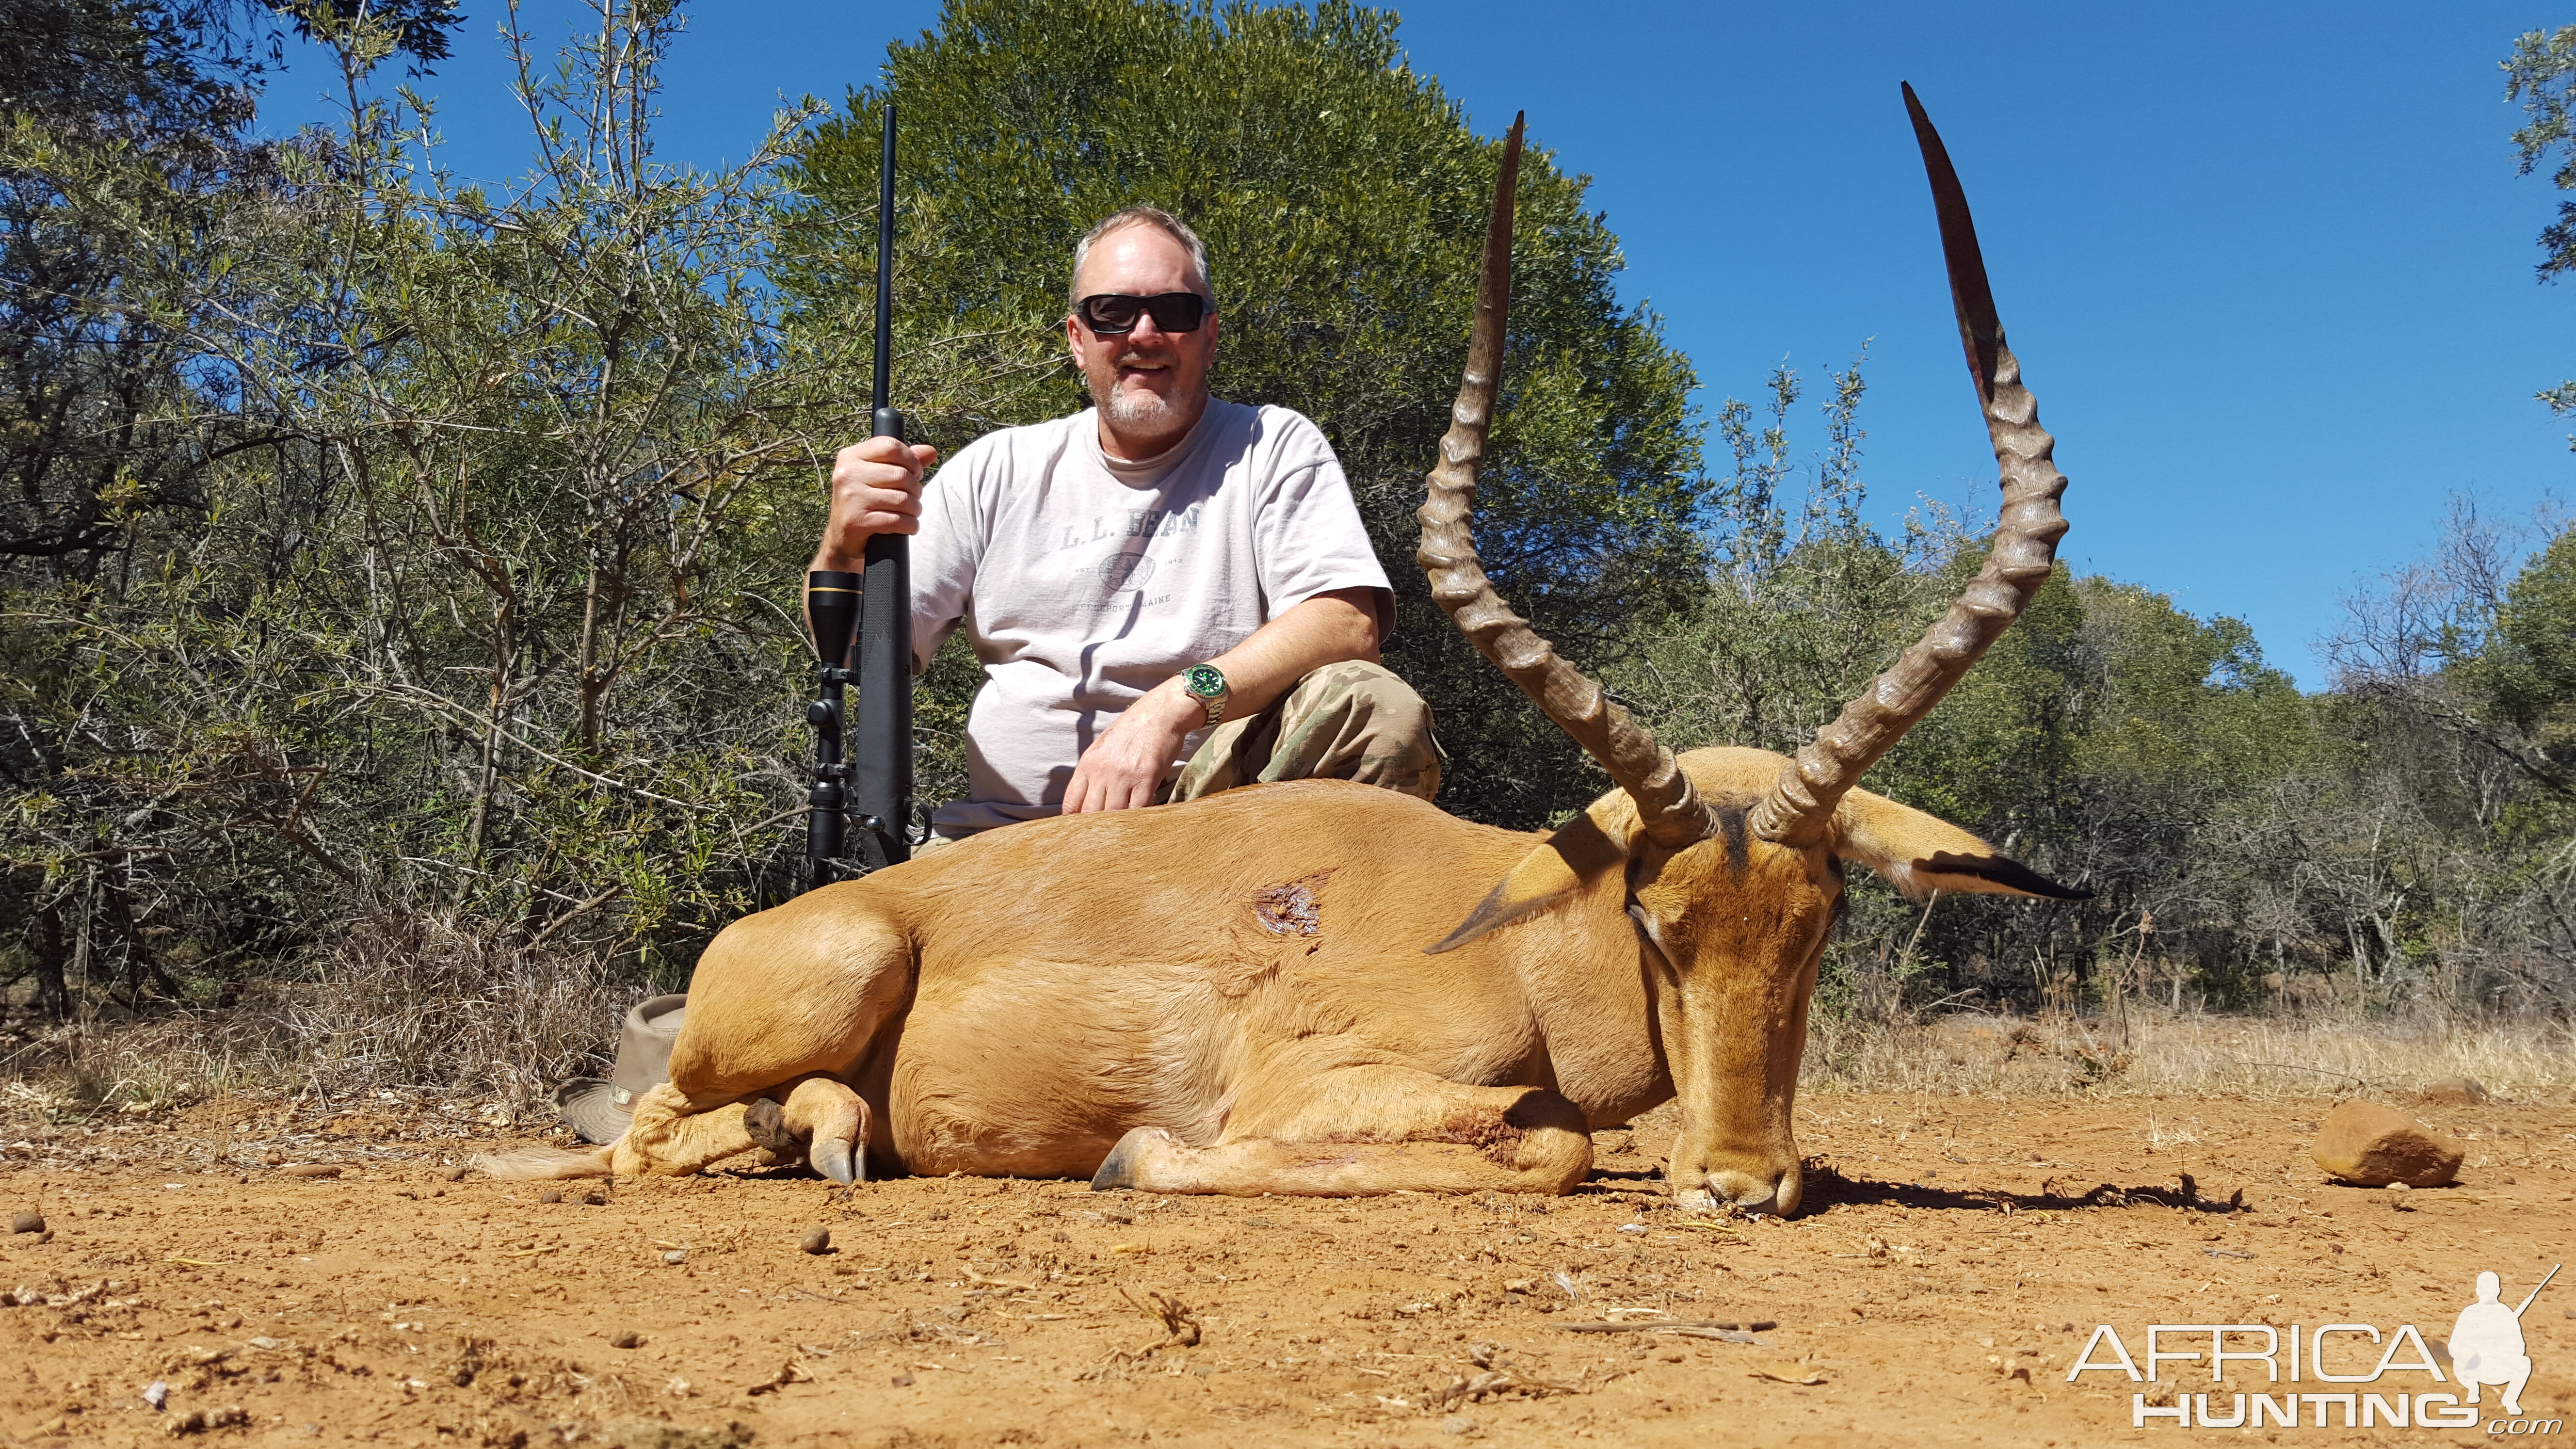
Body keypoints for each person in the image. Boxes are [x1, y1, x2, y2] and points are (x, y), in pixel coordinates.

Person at [811, 206, 1443, 844]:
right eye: (1112, 312)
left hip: (1208, 831)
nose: (1144, 334)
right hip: (1001, 847)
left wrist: (1174, 706)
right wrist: (843, 545)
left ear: (1210, 336)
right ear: (1077, 338)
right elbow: (858, 653)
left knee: (1375, 706)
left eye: (1174, 312)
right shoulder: (996, 469)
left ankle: (1294, 935)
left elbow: (1346, 623)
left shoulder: (1272, 445)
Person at [2448, 1270, 2534, 1416]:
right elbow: (2454, 1346)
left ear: (2498, 1290)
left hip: (2498, 1367)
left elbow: (2520, 1347)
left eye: (2492, 1288)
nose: (2489, 1292)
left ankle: (2510, 1400)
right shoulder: (2470, 1312)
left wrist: (2501, 1347)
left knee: (2525, 1362)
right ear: (2478, 1290)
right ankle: (2473, 1389)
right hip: (2473, 1369)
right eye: (2485, 1288)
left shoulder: (2506, 1314)